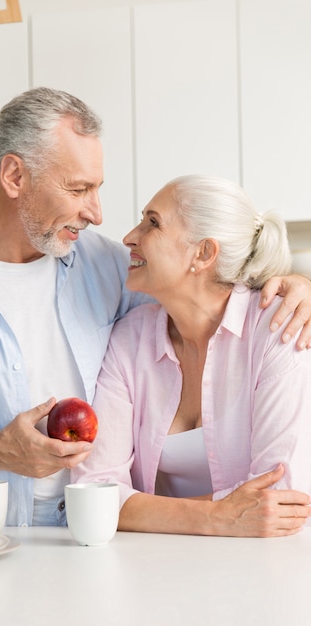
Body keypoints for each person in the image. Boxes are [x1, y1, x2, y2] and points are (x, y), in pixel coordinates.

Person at [0, 89, 310, 529]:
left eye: (97, 188)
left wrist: (296, 285)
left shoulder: (110, 267)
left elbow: (207, 294)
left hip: (94, 536)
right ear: (14, 176)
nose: (96, 213)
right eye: (79, 189)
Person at [72, 174, 311, 537]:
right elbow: (95, 492)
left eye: (152, 223)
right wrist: (220, 516)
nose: (129, 238)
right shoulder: (129, 339)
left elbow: (280, 503)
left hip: (265, 568)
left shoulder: (278, 329)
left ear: (204, 253)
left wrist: (143, 510)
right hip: (156, 568)